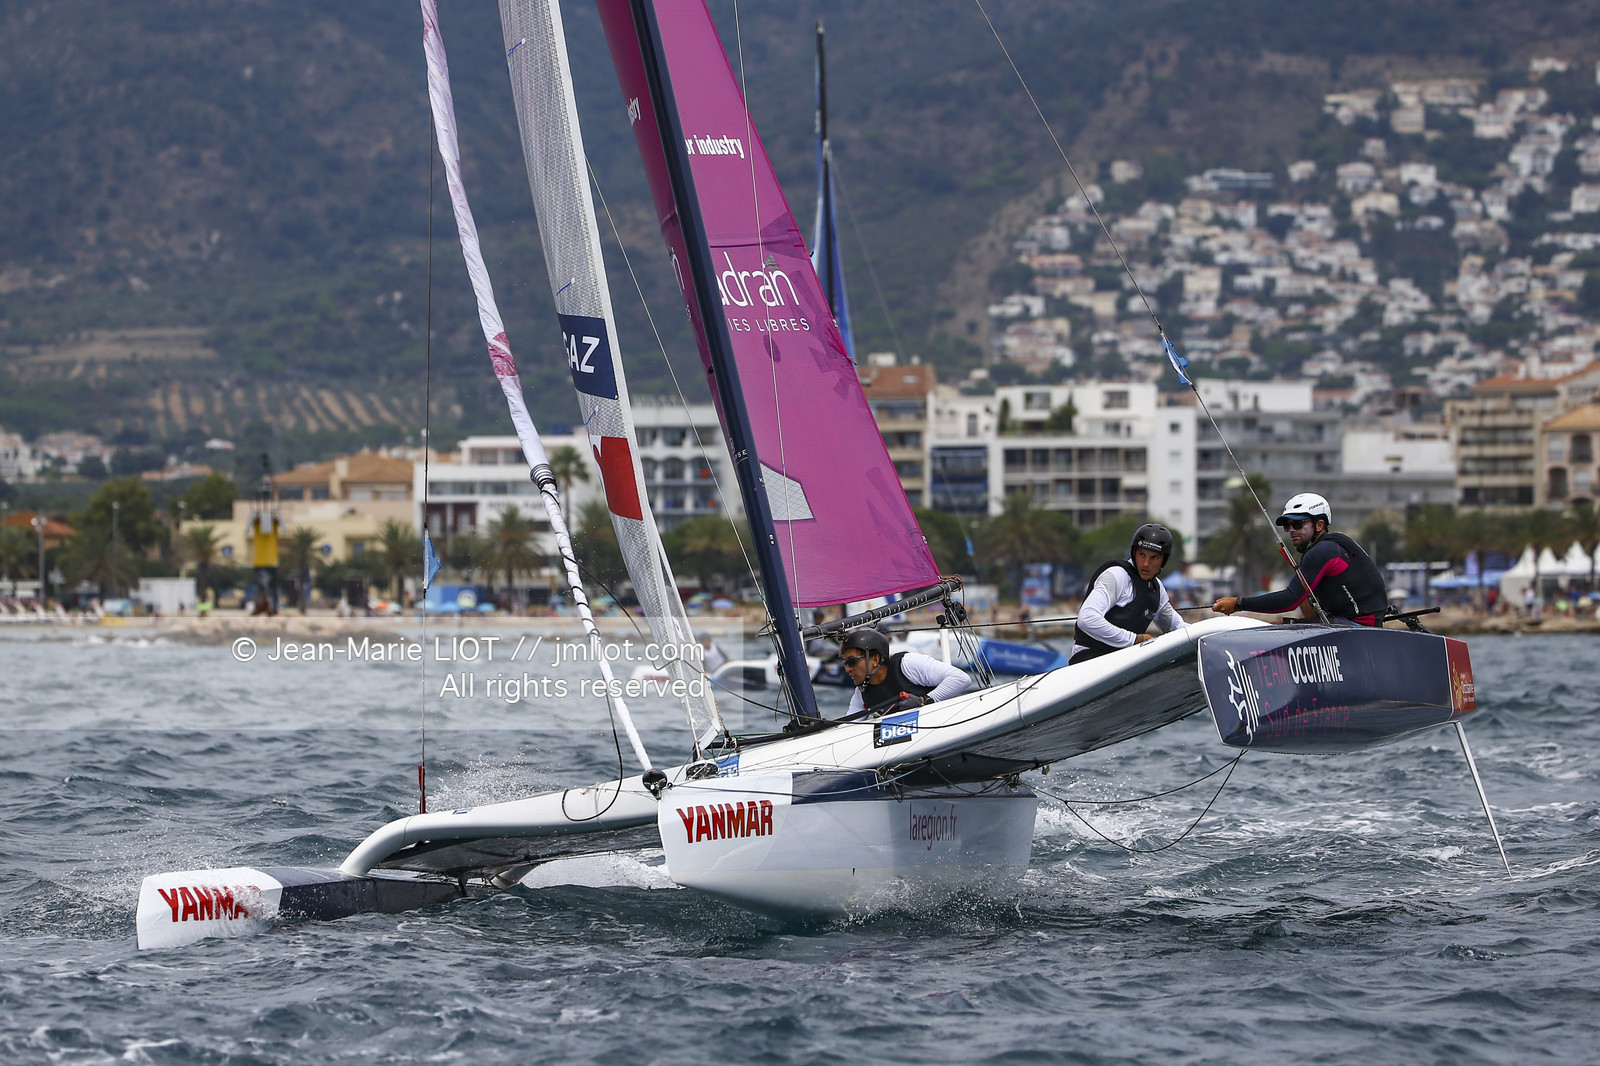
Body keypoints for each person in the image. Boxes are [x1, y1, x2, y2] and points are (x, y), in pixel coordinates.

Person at [1212, 492, 1386, 625]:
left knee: (1285, 625)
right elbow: (1305, 604)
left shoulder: (1323, 551)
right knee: (1288, 622)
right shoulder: (1332, 545)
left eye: (1298, 524)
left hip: (1359, 628)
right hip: (1355, 625)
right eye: (1288, 525)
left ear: (1319, 525)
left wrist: (1238, 603)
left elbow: (1290, 600)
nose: (1291, 530)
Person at [1070, 523, 1187, 665]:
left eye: (1154, 557)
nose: (1145, 563)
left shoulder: (1158, 589)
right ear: (1134, 552)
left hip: (1123, 662)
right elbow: (1087, 619)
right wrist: (1134, 640)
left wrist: (1212, 630)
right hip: (1089, 659)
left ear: (1163, 560)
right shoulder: (1117, 576)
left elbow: (1177, 628)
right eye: (1142, 555)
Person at [840, 628, 971, 717]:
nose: (847, 669)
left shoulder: (907, 664)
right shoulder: (861, 694)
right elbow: (848, 726)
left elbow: (961, 679)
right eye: (845, 663)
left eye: (852, 661)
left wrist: (924, 701)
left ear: (875, 659)